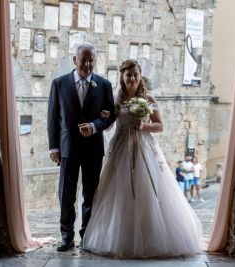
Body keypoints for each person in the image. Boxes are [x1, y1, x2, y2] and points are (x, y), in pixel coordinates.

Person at [82, 59, 201, 258]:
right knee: (118, 193)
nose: (132, 78)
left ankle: (150, 238)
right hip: (120, 149)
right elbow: (110, 126)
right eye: (128, 75)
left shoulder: (149, 99)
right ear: (122, 77)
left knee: (148, 191)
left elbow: (160, 126)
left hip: (145, 149)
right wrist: (103, 116)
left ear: (140, 75)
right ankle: (119, 238)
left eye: (136, 74)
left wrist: (143, 126)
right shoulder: (115, 99)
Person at [47, 42, 116, 252]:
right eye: (83, 60)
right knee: (66, 194)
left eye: (91, 60)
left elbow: (111, 114)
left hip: (93, 149)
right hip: (67, 148)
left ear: (96, 61)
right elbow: (52, 118)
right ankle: (66, 236)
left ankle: (87, 235)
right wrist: (54, 148)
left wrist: (95, 126)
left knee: (90, 194)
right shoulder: (58, 84)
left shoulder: (104, 85)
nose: (87, 64)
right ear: (74, 60)